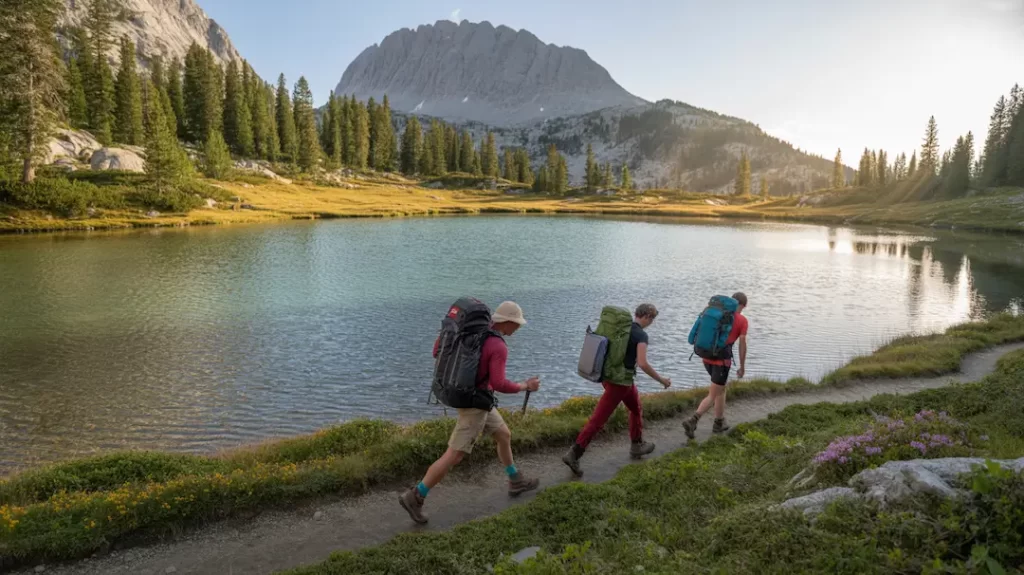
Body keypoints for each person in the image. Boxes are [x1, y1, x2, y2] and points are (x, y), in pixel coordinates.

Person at [399, 301, 541, 524]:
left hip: (470, 397)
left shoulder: (469, 332)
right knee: (454, 454)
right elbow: (500, 383)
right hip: (475, 405)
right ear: (508, 322)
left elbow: (436, 351)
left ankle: (515, 480)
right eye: (518, 324)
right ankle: (416, 495)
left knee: (503, 434)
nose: (519, 328)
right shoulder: (498, 346)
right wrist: (526, 386)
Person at [562, 304, 671, 477]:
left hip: (609, 377)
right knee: (598, 419)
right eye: (653, 319)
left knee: (635, 408)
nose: (652, 322)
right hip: (619, 383)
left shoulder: (619, 329)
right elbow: (642, 363)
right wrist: (662, 380)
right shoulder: (641, 335)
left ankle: (637, 444)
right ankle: (574, 453)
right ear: (648, 316)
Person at [683, 292, 749, 438]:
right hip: (722, 361)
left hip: (706, 357)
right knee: (713, 394)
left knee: (720, 389)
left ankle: (719, 422)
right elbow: (742, 345)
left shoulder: (714, 314)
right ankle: (693, 420)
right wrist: (742, 366)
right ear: (742, 305)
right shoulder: (742, 320)